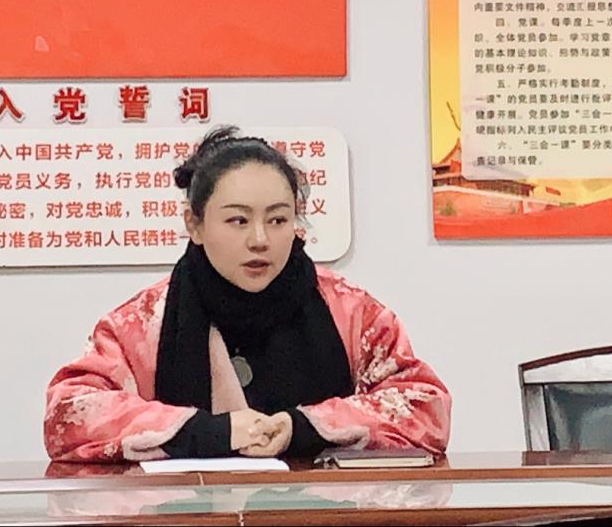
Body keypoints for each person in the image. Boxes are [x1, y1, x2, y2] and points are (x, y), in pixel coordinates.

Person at [44, 127, 451, 461]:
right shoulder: (140, 323)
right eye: (238, 220)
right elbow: (68, 413)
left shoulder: (351, 311)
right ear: (194, 224)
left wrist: (304, 426)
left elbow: (425, 407)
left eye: (278, 220)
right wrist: (204, 431)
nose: (260, 240)